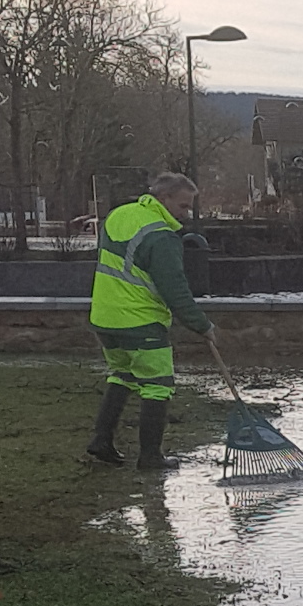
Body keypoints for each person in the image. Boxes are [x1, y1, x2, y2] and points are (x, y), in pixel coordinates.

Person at [85, 171, 214, 469]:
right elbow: (175, 289)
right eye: (183, 206)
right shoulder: (162, 236)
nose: (186, 214)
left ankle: (101, 441)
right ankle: (151, 456)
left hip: (105, 318)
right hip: (140, 321)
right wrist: (202, 325)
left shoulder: (119, 215)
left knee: (122, 375)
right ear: (164, 198)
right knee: (157, 386)